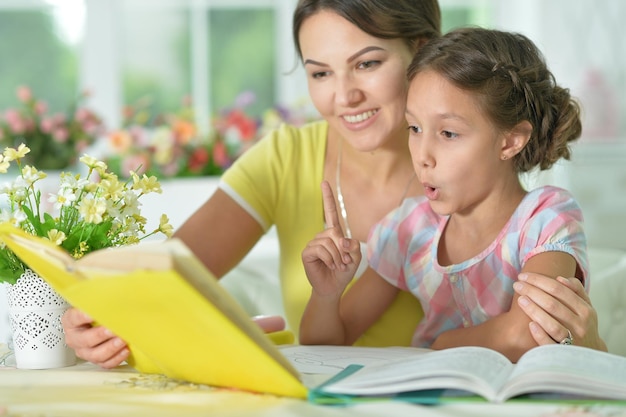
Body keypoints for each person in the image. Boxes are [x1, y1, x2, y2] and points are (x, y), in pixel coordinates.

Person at [61, 3, 605, 369]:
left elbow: (534, 330)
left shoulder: (525, 207)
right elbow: (169, 272)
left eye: (365, 63)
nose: (342, 96)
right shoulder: (293, 163)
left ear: (423, 52)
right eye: (320, 73)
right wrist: (96, 311)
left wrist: (445, 344)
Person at [299, 27, 604, 363]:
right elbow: (325, 345)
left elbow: (524, 334)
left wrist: (442, 343)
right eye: (414, 128)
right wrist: (327, 295)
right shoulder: (410, 229)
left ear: (511, 140)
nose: (423, 155)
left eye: (448, 132)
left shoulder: (546, 217)